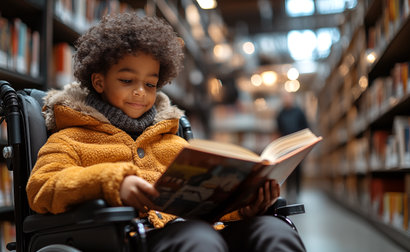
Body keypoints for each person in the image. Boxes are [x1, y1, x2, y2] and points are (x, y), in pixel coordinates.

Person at [26, 12, 306, 252]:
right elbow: (41, 187)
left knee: (273, 231)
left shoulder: (173, 142)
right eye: (126, 80)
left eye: (150, 84)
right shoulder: (71, 138)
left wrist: (247, 205)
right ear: (98, 81)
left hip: (206, 229)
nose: (140, 91)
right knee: (200, 239)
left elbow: (208, 204)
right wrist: (112, 183)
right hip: (137, 238)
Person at [276, 91, 309, 203]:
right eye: (284, 97)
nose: (286, 99)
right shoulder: (280, 113)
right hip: (286, 146)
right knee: (287, 169)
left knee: (298, 169)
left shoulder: (299, 112)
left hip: (298, 145)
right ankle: (290, 192)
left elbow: (306, 127)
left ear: (292, 98)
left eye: (288, 97)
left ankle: (298, 192)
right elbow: (278, 129)